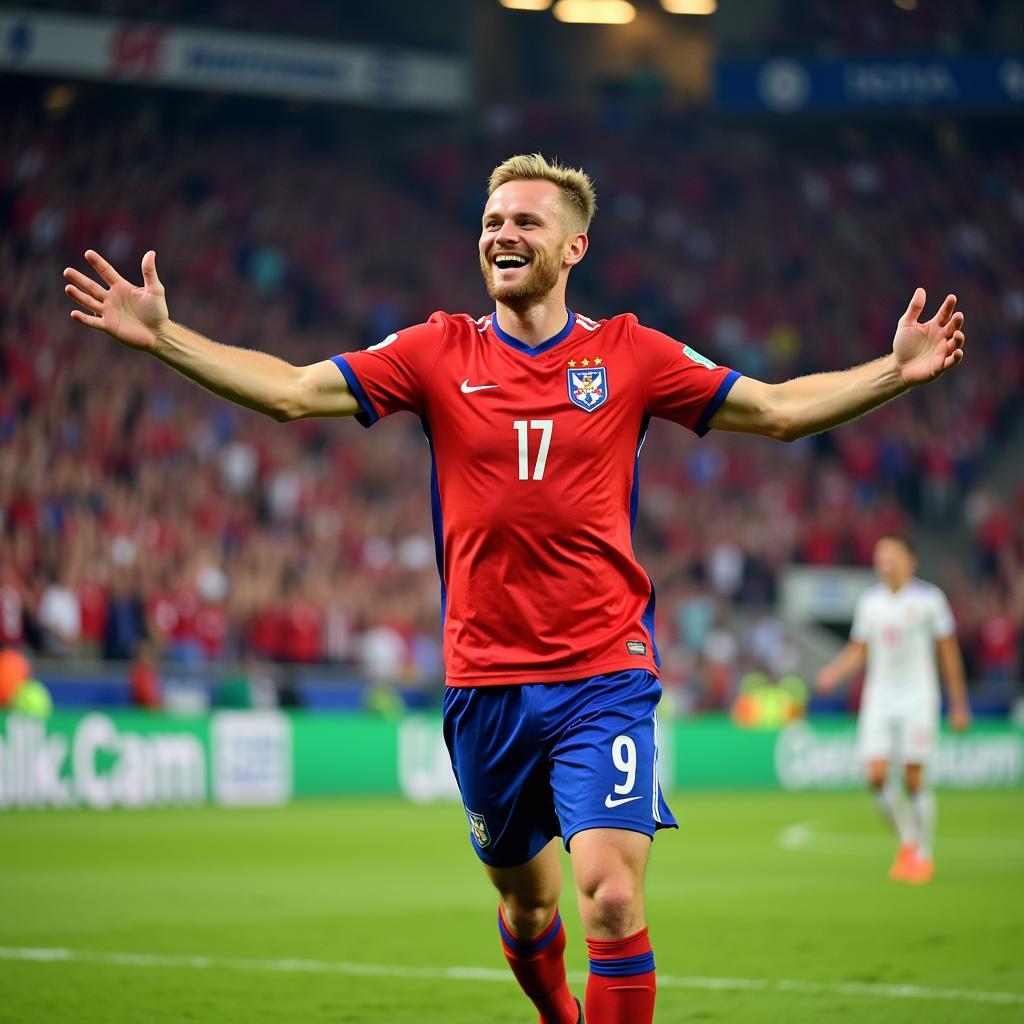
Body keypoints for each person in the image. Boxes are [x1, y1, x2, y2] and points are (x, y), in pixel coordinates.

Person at [64, 153, 967, 1024]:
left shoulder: (629, 354)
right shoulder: (434, 350)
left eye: (525, 222)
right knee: (529, 907)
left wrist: (894, 371)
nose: (502, 233)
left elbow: (774, 411)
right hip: (485, 685)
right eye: (492, 220)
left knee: (611, 897)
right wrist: (165, 338)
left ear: (573, 247)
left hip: (603, 674)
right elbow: (294, 393)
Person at [817, 534, 971, 885]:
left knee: (914, 775)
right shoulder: (870, 603)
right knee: (875, 775)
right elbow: (860, 649)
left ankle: (923, 854)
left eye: (891, 556)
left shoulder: (930, 600)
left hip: (919, 696)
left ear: (910, 561)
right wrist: (835, 672)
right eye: (879, 556)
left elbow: (948, 652)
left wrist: (959, 703)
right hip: (879, 698)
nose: (884, 562)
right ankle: (908, 845)